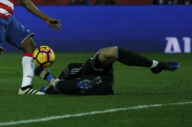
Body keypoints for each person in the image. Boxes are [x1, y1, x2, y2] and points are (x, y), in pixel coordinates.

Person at [35, 46, 180, 95]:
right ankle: (51, 82)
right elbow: (59, 87)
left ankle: (155, 65)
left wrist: (49, 79)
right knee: (63, 87)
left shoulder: (71, 68)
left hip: (94, 72)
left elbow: (58, 85)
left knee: (111, 52)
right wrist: (50, 82)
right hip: (99, 83)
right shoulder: (69, 72)